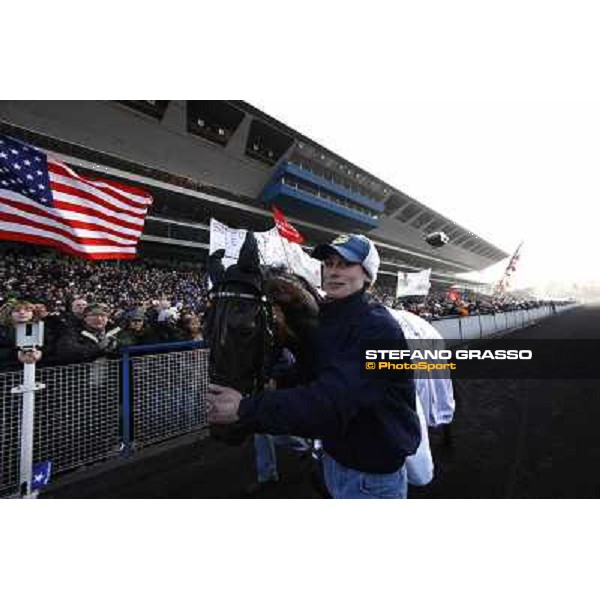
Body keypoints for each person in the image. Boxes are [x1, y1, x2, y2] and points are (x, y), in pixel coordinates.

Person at [207, 234, 421, 499]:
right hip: (337, 462)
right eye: (329, 263)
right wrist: (280, 382)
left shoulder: (377, 328)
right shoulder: (333, 318)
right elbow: (316, 372)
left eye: (344, 264)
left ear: (367, 275)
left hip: (371, 478)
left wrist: (245, 409)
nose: (333, 271)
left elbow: (331, 402)